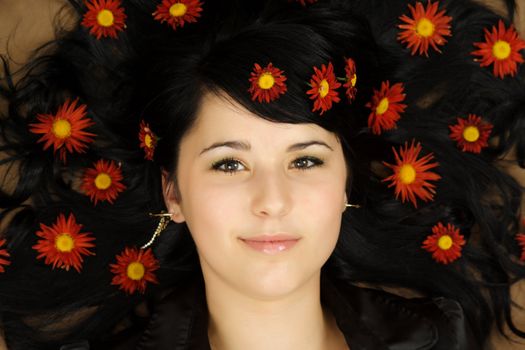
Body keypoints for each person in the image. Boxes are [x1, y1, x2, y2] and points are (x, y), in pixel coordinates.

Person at [0, 0, 524, 349]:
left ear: (347, 182)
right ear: (173, 190)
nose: (272, 200)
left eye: (305, 160)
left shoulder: (438, 339)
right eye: (229, 163)